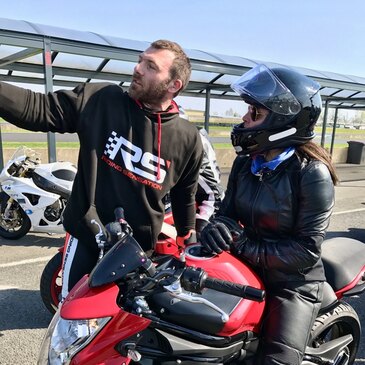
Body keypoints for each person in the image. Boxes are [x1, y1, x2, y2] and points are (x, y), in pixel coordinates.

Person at [0, 39, 203, 300]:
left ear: (174, 85)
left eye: (150, 66)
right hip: (87, 237)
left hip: (137, 251)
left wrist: (189, 237)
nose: (137, 68)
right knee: (71, 315)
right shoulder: (102, 100)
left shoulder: (188, 138)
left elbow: (185, 195)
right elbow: (37, 108)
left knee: (124, 326)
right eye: (140, 60)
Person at [200, 64, 339, 365]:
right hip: (246, 269)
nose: (244, 119)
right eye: (248, 110)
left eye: (255, 113)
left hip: (292, 284)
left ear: (284, 122)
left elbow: (305, 251)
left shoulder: (312, 173)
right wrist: (213, 228)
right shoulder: (245, 163)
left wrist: (241, 245)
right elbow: (226, 214)